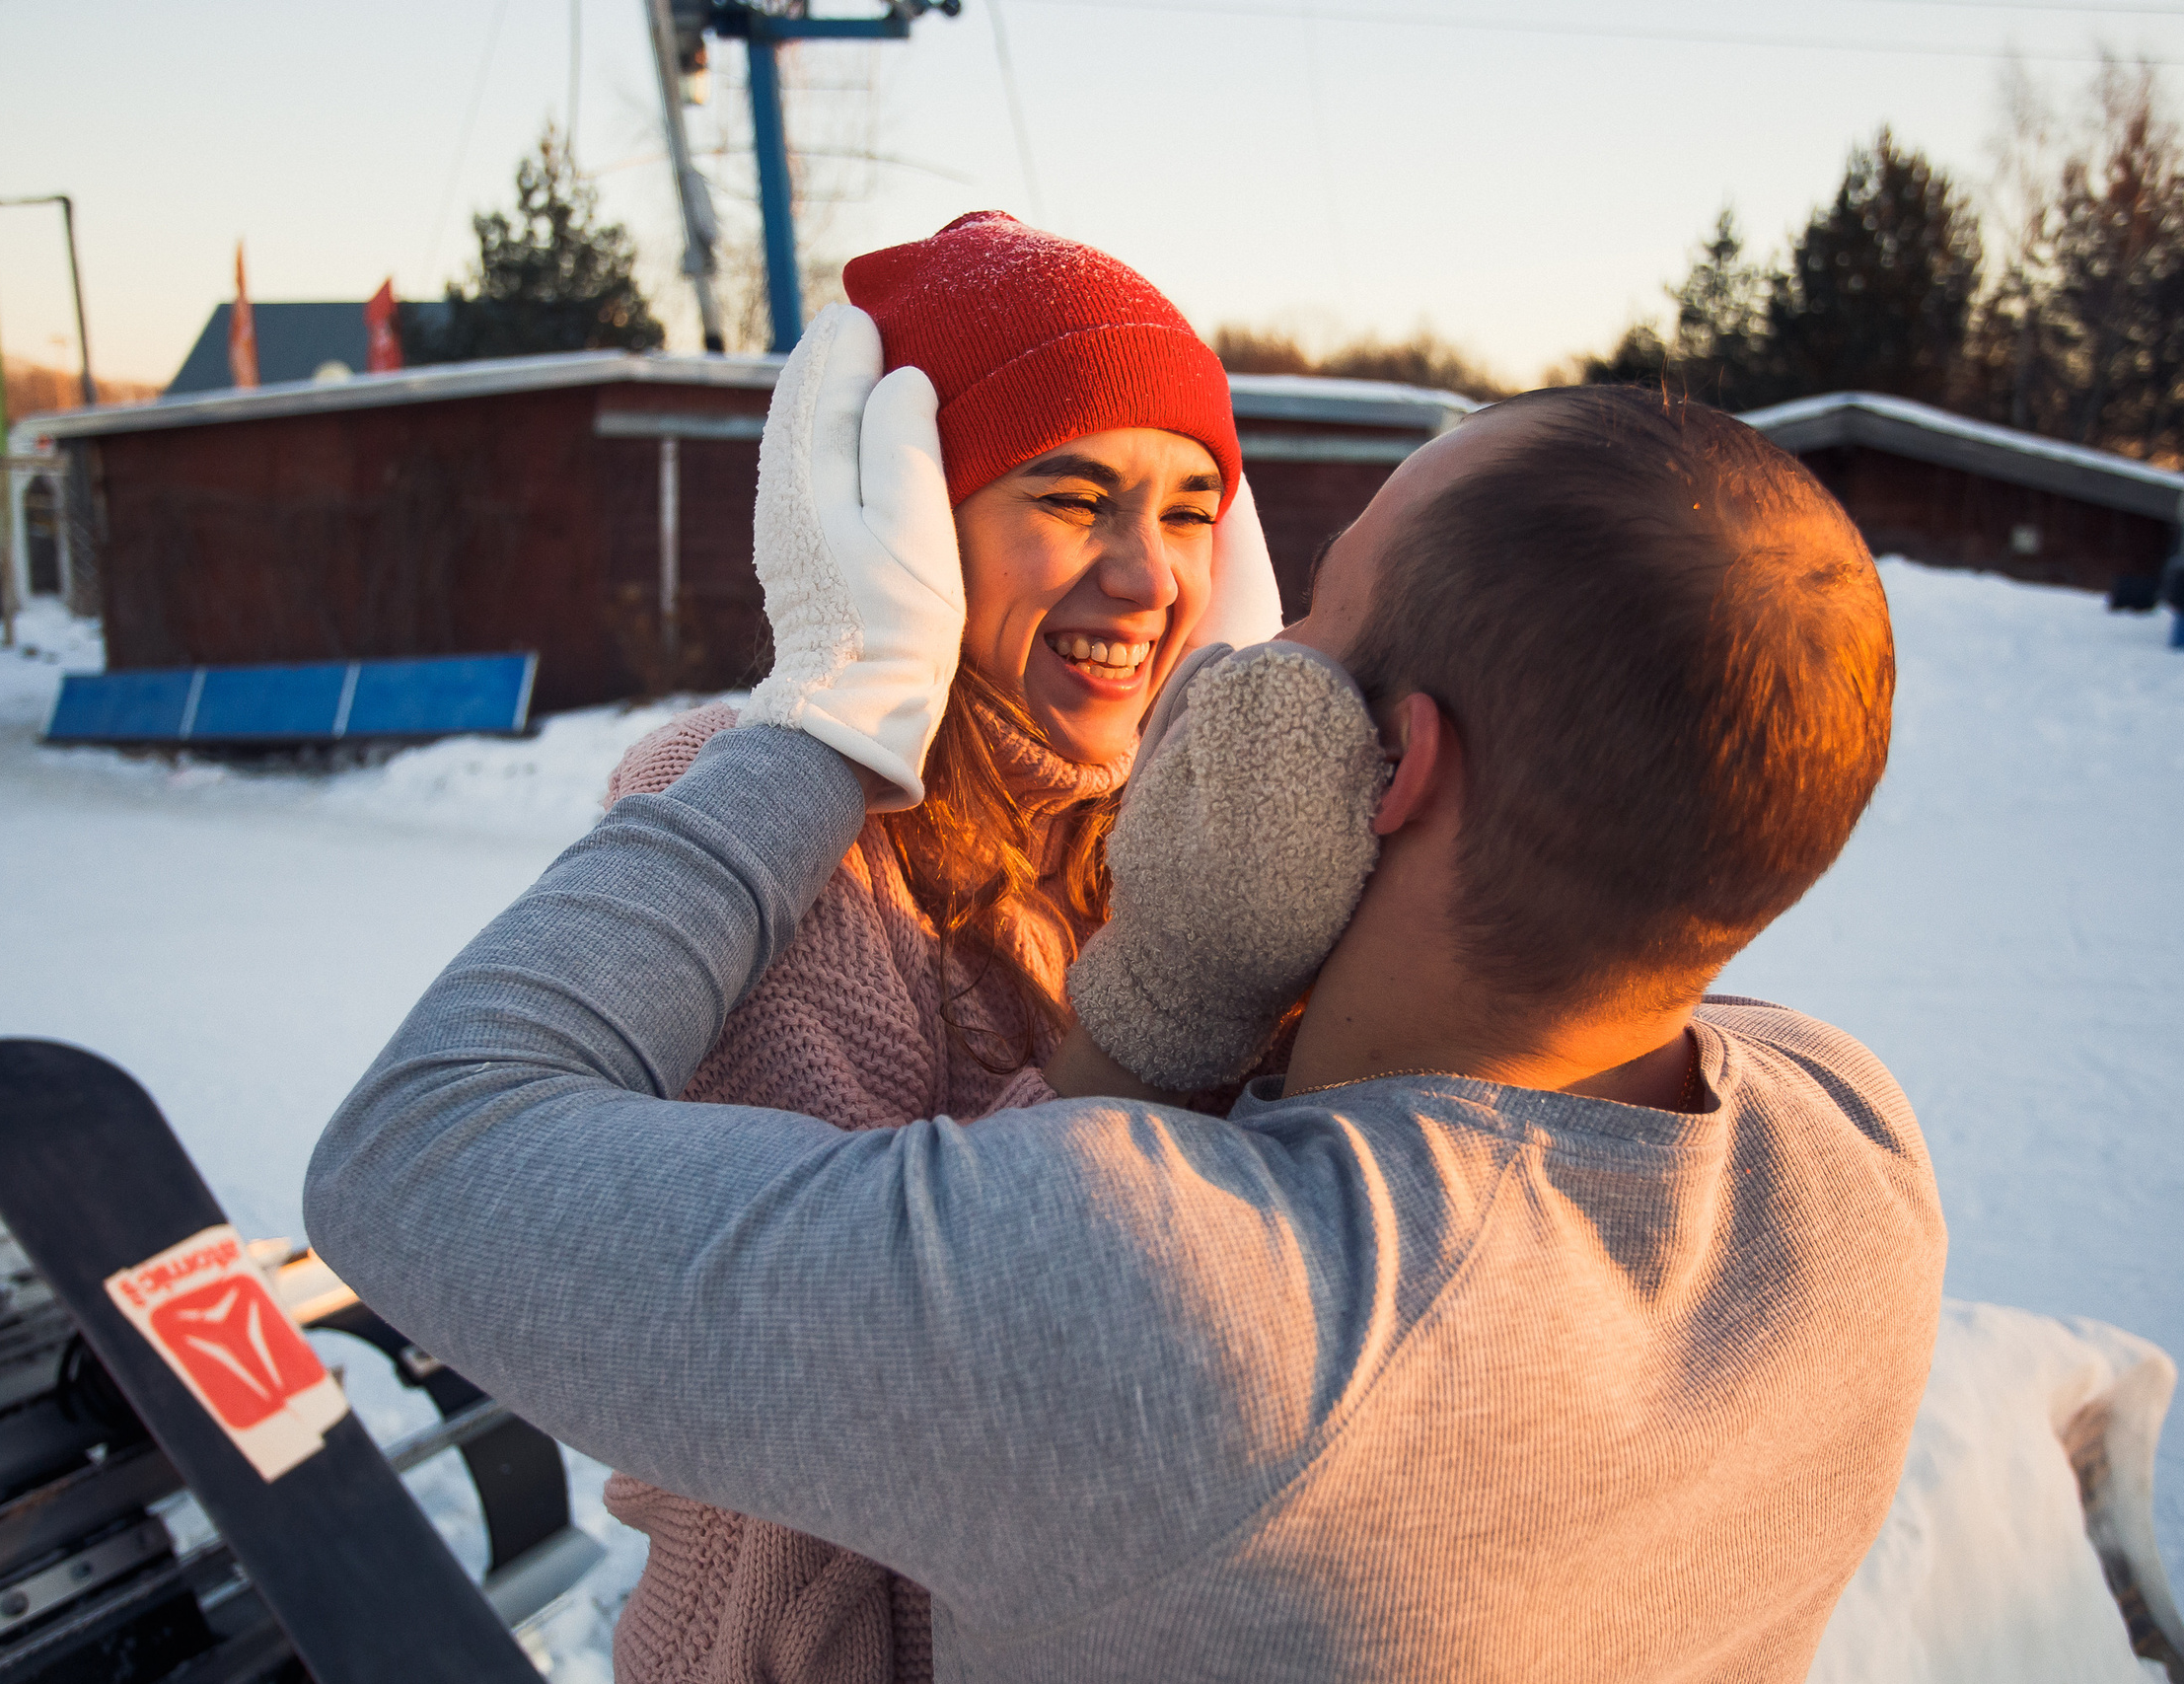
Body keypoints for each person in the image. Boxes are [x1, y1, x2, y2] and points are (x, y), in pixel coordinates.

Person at [307, 371, 1946, 1680]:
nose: (1225, 648)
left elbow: (420, 1152)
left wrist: (822, 723)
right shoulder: (1855, 1154)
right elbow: (1616, 866)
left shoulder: (1167, 1315)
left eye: (1307, 630)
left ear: (1396, 769)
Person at [593, 213, 1282, 1683]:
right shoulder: (759, 808)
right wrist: (1181, 986)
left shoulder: (1175, 814)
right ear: (907, 515)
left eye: (1190, 511)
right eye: (1075, 497)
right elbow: (872, 1344)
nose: (1149, 579)